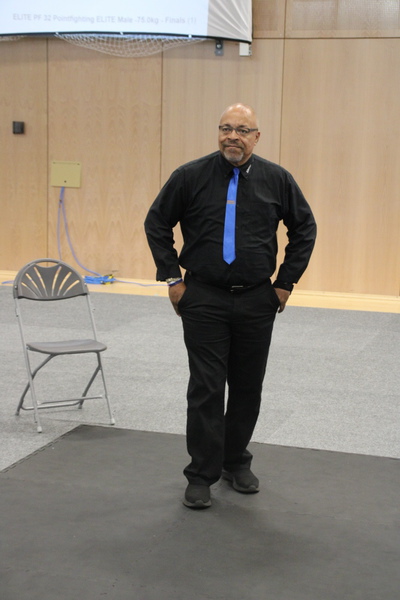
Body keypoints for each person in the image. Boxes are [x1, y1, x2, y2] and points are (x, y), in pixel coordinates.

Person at [144, 103, 316, 509]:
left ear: (257, 137)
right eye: (225, 128)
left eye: (242, 130)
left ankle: (235, 461)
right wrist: (172, 278)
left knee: (247, 386)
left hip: (257, 299)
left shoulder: (277, 179)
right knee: (206, 387)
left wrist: (284, 284)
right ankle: (201, 474)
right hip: (203, 297)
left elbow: (305, 228)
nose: (232, 137)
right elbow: (157, 222)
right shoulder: (190, 176)